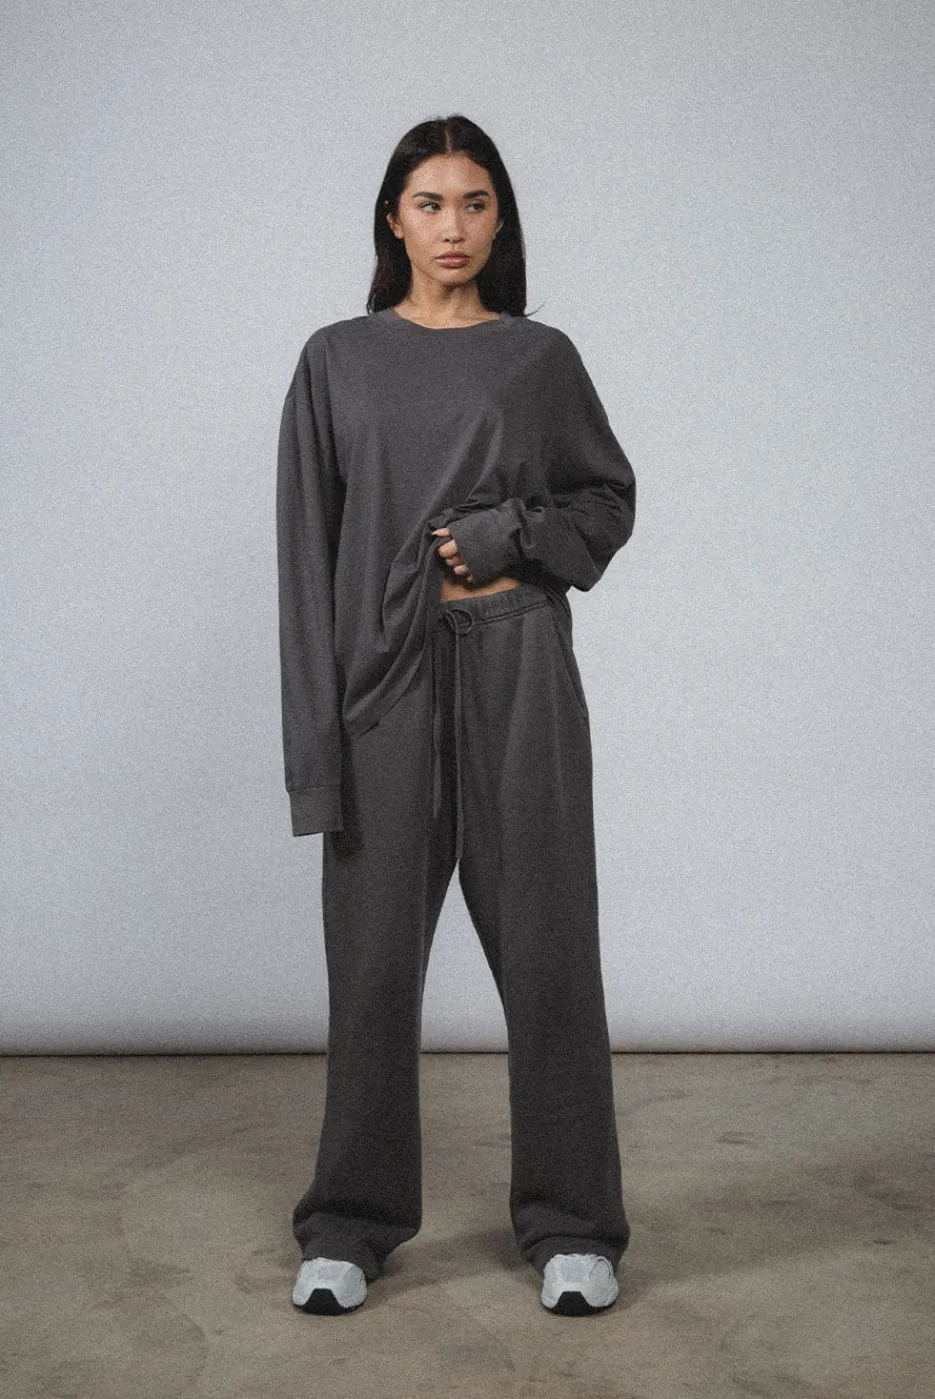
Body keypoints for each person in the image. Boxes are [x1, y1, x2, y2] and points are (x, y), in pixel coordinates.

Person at [276, 113, 637, 1317]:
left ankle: (573, 1227)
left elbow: (604, 502)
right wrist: (315, 755)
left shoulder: (537, 359)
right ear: (392, 217)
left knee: (548, 950)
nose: (453, 227)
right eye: (429, 203)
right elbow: (306, 562)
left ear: (499, 218)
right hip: (380, 683)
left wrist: (511, 537)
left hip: (516, 667)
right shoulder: (336, 360)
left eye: (475, 202)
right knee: (372, 963)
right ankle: (349, 1223)